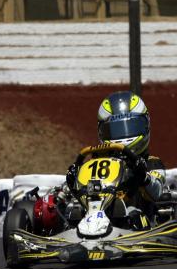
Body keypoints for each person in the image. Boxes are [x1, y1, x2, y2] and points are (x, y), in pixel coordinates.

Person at [66, 91, 166, 230]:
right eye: (116, 129)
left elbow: (157, 192)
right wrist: (72, 183)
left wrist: (142, 176)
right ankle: (77, 227)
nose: (124, 137)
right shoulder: (95, 162)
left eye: (130, 127)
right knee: (69, 210)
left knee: (132, 213)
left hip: (134, 221)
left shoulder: (151, 163)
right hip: (91, 217)